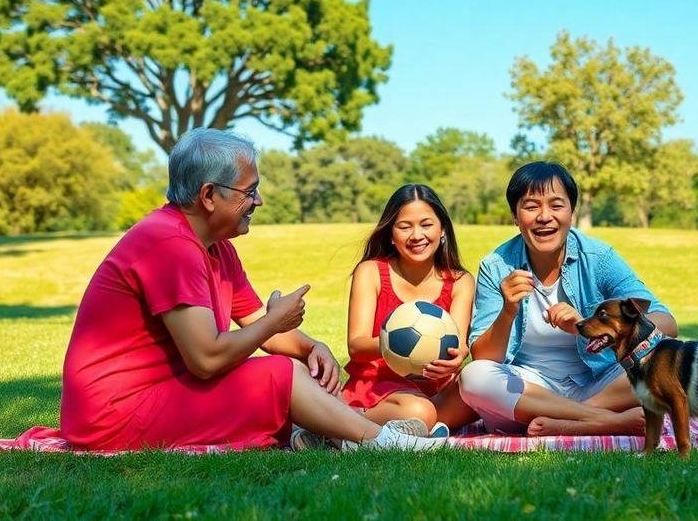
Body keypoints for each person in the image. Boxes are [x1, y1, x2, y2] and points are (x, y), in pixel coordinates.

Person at [60, 128, 442, 452]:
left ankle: (336, 433)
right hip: (114, 414)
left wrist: (312, 347)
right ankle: (378, 441)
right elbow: (206, 359)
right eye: (249, 190)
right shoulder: (169, 244)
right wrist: (275, 323)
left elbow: (257, 320)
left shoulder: (215, 245)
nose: (258, 201)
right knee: (282, 375)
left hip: (159, 394)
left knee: (290, 369)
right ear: (209, 195)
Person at [459, 161, 678, 436]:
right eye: (531, 206)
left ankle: (570, 420)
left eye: (556, 204)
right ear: (515, 216)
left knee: (666, 356)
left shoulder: (598, 258)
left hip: (600, 384)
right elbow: (483, 358)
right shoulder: (496, 265)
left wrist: (589, 326)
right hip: (530, 391)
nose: (544, 216)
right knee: (473, 377)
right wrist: (508, 310)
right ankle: (599, 421)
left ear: (571, 212)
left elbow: (666, 323)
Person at [341, 184, 476, 436]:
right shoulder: (371, 272)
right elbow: (356, 345)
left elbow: (459, 343)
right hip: (378, 388)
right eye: (405, 226)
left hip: (435, 391)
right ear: (391, 233)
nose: (416, 235)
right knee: (420, 412)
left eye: (426, 224)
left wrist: (459, 356)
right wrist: (394, 344)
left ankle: (415, 427)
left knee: (478, 390)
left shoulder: (460, 281)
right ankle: (343, 420)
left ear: (442, 229)